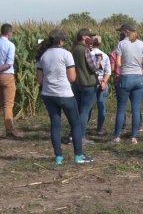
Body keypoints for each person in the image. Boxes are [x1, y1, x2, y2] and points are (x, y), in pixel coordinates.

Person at [36, 29, 93, 165]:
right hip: (64, 93)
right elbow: (72, 77)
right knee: (75, 123)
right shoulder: (66, 54)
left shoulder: (42, 55)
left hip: (48, 94)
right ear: (61, 41)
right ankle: (78, 155)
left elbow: (39, 80)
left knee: (55, 124)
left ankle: (58, 157)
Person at [113, 23, 143, 144]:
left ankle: (117, 136)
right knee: (136, 109)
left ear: (125, 32)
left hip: (126, 77)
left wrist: (124, 64)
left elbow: (117, 64)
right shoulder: (142, 44)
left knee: (121, 109)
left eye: (121, 31)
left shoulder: (121, 44)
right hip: (138, 78)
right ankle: (134, 137)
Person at [0, 23, 23, 139]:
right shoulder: (10, 45)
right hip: (6, 75)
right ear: (9, 33)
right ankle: (9, 129)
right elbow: (8, 64)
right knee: (8, 104)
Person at [71, 28, 102, 144]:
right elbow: (93, 67)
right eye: (90, 36)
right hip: (88, 83)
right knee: (84, 111)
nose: (92, 38)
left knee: (77, 110)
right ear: (84, 37)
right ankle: (81, 137)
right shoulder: (85, 50)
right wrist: (98, 60)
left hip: (76, 83)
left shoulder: (73, 49)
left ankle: (73, 135)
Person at [88, 35, 111, 135]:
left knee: (87, 107)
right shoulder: (105, 55)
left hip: (91, 83)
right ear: (100, 44)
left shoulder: (88, 55)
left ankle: (83, 127)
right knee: (102, 107)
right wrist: (104, 82)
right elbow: (108, 71)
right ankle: (100, 129)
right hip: (102, 82)